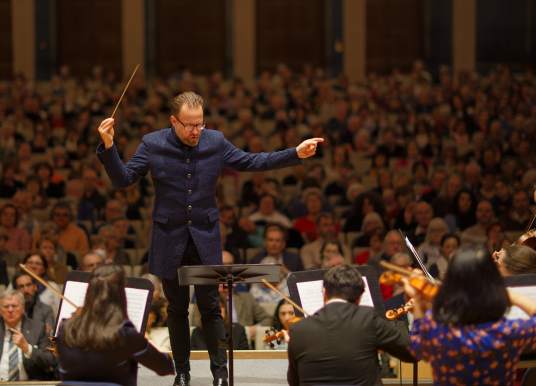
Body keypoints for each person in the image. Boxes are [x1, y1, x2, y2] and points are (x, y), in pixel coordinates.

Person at [96, 91, 322, 386]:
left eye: (199, 124)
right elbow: (123, 179)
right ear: (174, 121)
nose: (195, 131)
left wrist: (295, 153)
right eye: (188, 125)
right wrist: (109, 145)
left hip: (205, 236)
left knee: (211, 308)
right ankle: (182, 374)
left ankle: (219, 374)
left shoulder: (214, 140)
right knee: (176, 310)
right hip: (168, 238)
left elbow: (252, 162)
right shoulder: (153, 143)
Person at [402, 247, 536, 385]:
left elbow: (417, 344)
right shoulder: (506, 332)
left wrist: (418, 300)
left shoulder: (438, 329)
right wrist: (512, 296)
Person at [286, 265, 415, 386]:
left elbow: (294, 382)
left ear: (324, 293)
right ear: (359, 298)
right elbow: (413, 354)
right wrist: (419, 313)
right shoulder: (368, 319)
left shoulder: (297, 330)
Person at [56, 264, 174, 385]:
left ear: (88, 291)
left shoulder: (65, 328)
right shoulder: (124, 333)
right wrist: (143, 341)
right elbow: (166, 367)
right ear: (120, 295)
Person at [0, 290, 55, 381]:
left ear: (23, 308)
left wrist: (27, 348)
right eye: (6, 306)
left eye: (14, 306)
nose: (10, 310)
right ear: (0, 310)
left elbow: (48, 361)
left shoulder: (38, 328)